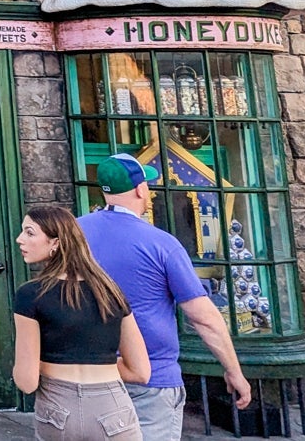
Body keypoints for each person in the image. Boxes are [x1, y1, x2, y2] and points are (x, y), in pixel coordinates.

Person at [79, 154, 253, 441]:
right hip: (151, 380)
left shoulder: (73, 234)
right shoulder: (162, 244)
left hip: (85, 375)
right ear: (140, 189)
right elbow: (203, 318)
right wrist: (234, 370)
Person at [13, 204, 150, 440]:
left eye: (29, 232)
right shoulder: (110, 291)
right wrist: (96, 364)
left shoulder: (31, 294)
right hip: (112, 406)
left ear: (55, 243)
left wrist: (47, 365)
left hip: (58, 406)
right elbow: (140, 372)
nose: (19, 239)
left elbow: (27, 381)